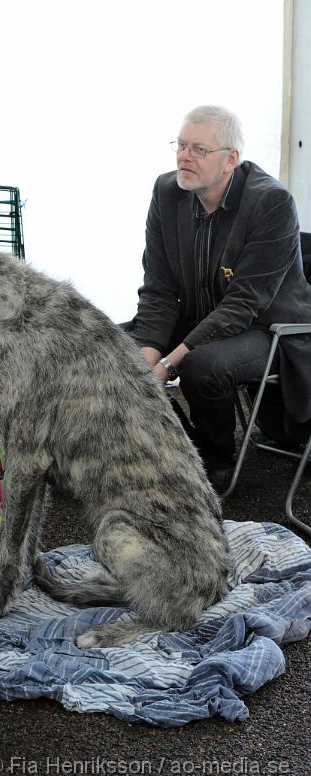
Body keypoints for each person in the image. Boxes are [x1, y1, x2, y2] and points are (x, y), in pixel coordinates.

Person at [126, 105, 311, 493]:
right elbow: (159, 287)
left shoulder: (271, 203)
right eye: (180, 145)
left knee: (201, 365)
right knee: (106, 346)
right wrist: (146, 354)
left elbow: (244, 305)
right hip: (202, 317)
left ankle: (213, 459)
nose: (184, 156)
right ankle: (168, 446)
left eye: (198, 149)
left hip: (270, 327)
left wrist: (169, 361)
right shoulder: (166, 192)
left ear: (231, 160)